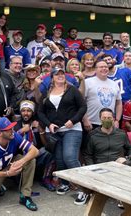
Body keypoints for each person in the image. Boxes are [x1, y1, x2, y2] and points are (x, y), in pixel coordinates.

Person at [37, 67, 86, 195]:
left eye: (62, 73)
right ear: (52, 77)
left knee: (70, 157)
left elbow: (82, 107)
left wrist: (73, 120)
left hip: (72, 129)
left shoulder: (72, 90)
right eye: (57, 74)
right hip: (54, 132)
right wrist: (49, 124)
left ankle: (84, 189)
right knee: (59, 160)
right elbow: (40, 112)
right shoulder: (47, 92)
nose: (60, 75)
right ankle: (65, 183)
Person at [0, 117, 40, 211]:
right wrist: (8, 173)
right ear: (0, 133)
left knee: (31, 160)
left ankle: (25, 196)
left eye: (12, 127)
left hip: (10, 164)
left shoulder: (14, 136)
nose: (12, 130)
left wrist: (21, 161)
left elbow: (35, 151)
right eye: (8, 129)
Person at [82, 108, 131, 205]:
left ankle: (123, 198)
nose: (107, 120)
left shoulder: (121, 134)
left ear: (113, 119)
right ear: (100, 119)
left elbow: (130, 148)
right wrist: (92, 168)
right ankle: (87, 193)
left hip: (117, 167)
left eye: (109, 118)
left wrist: (128, 159)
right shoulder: (92, 135)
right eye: (104, 118)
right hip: (99, 168)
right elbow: (87, 155)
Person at [83, 60, 122, 132]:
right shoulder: (87, 82)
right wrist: (85, 120)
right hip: (91, 123)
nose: (104, 68)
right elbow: (82, 102)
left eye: (106, 67)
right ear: (95, 69)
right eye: (101, 67)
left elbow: (119, 103)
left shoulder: (114, 84)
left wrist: (117, 120)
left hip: (109, 123)